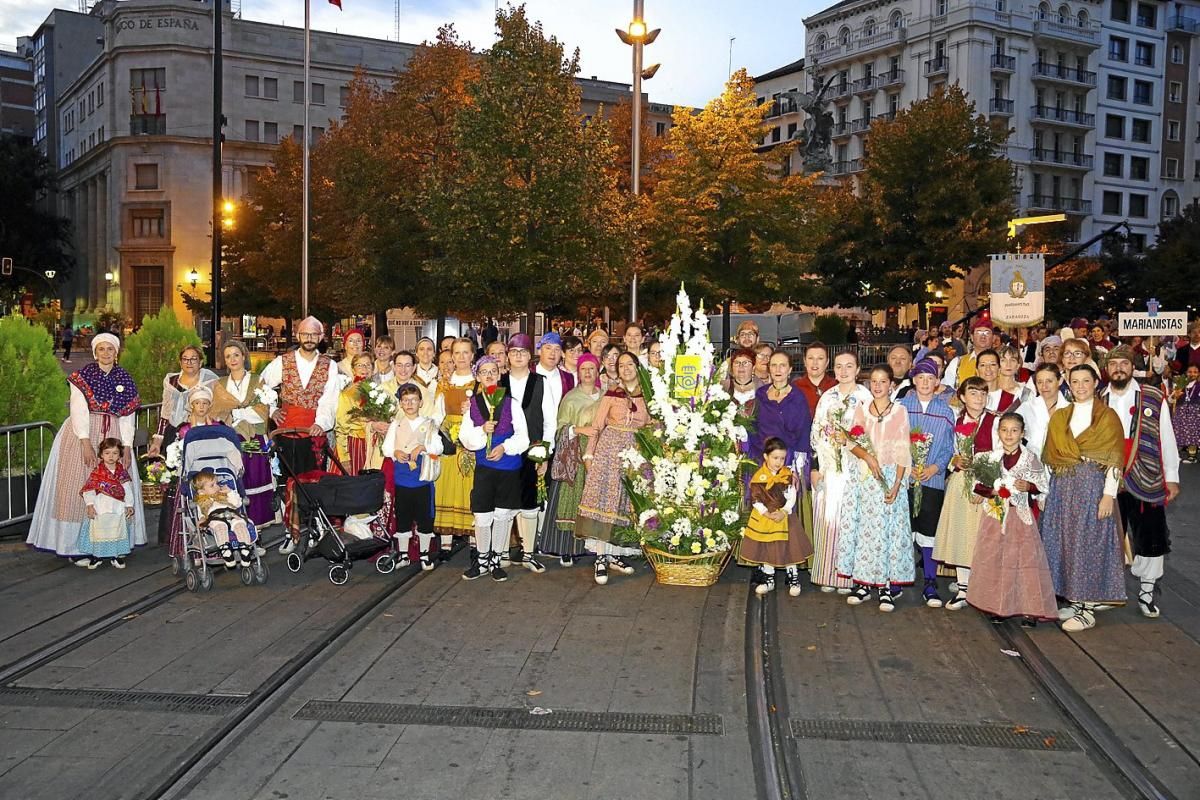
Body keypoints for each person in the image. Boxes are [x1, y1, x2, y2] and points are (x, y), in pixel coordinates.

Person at [28, 334, 146, 566]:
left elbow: (127, 417)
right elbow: (78, 409)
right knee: (79, 484)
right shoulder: (83, 377)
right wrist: (84, 441)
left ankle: (112, 541)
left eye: (109, 349)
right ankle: (77, 546)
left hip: (113, 434)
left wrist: (127, 446)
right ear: (95, 352)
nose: (105, 353)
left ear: (116, 352)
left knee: (114, 486)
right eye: (101, 349)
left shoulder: (125, 378)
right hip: (84, 431)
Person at [1040, 365, 1127, 632]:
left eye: (1085, 381)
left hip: (1092, 485)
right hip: (1063, 487)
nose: (1080, 386)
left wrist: (1108, 496)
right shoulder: (1060, 416)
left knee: (1088, 543)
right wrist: (1045, 492)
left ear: (1095, 383)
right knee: (1063, 542)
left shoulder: (1107, 417)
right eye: (1075, 381)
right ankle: (1073, 598)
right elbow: (1049, 458)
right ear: (1068, 382)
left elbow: (1114, 459)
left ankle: (1086, 608)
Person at [1102, 346, 1180, 619]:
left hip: (1147, 476)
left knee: (1150, 534)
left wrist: (1172, 476)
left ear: (1132, 366)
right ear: (1107, 368)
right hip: (1110, 478)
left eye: (1124, 363)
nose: (1119, 368)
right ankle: (1107, 591)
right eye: (1114, 364)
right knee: (1107, 534)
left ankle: (1147, 591)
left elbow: (1166, 437)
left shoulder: (1153, 396)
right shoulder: (1099, 398)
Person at [966, 412, 1058, 626]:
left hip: (1020, 517)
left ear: (1022, 433)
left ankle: (1030, 609)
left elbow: (1042, 485)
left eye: (1014, 430)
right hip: (995, 518)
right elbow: (978, 485)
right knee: (996, 560)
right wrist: (992, 491)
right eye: (1004, 430)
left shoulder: (1030, 458)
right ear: (998, 433)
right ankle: (998, 606)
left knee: (1025, 561)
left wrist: (1029, 487)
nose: (1009, 434)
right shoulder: (989, 458)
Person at [259, 316, 341, 552]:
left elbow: (330, 398)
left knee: (314, 481)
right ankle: (290, 531)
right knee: (288, 483)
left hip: (312, 431)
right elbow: (262, 385)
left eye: (314, 335)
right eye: (305, 334)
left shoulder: (329, 365)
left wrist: (321, 423)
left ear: (321, 337)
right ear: (298, 335)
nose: (309, 339)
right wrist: (272, 409)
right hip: (286, 431)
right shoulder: (282, 362)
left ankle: (315, 527)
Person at [838, 364, 913, 610]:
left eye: (883, 381)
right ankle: (862, 583)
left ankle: (885, 586)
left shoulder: (900, 411)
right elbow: (851, 441)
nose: (878, 386)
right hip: (865, 477)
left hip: (890, 476)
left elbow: (903, 449)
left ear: (892, 385)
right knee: (864, 530)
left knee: (886, 532)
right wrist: (868, 457)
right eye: (874, 381)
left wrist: (897, 483)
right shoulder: (862, 409)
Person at [577, 352, 650, 585]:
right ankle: (601, 556)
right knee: (605, 500)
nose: (626, 368)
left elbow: (652, 424)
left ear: (638, 367)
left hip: (636, 452)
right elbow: (597, 424)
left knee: (625, 501)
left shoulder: (648, 395)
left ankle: (615, 554)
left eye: (630, 364)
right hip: (609, 450)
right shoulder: (611, 393)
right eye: (621, 365)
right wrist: (590, 453)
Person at [459, 356, 529, 582]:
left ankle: (496, 559)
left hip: (507, 467)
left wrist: (504, 447)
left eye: (493, 371)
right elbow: (466, 438)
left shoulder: (511, 403)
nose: (489, 376)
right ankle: (481, 560)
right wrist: (482, 430)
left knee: (502, 515)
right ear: (478, 377)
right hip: (485, 468)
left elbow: (523, 437)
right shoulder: (473, 405)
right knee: (482, 515)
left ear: (499, 375)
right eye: (484, 372)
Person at [933, 376, 1000, 611]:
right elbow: (946, 451)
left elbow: (1000, 455)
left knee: (985, 538)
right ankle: (963, 587)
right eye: (973, 393)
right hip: (961, 484)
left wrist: (985, 486)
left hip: (986, 488)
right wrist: (954, 461)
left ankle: (985, 588)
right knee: (962, 536)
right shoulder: (956, 420)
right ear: (962, 396)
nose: (979, 398)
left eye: (983, 394)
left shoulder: (995, 421)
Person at [809, 351, 870, 593]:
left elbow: (870, 435)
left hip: (854, 467)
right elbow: (816, 432)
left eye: (849, 366)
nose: (844, 371)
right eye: (839, 366)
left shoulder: (865, 397)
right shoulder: (827, 397)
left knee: (850, 520)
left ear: (857, 369)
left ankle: (848, 576)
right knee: (827, 518)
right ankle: (827, 573)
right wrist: (817, 465)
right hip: (829, 467)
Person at [900, 358, 957, 607]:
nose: (925, 383)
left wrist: (935, 467)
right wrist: (908, 466)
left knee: (928, 532)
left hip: (932, 481)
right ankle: (898, 581)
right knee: (904, 529)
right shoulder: (901, 407)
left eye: (930, 379)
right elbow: (894, 442)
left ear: (937, 383)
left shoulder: (945, 411)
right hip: (906, 479)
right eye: (920, 378)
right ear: (914, 380)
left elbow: (948, 447)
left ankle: (930, 582)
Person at [501, 333, 558, 572]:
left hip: (532, 450)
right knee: (503, 502)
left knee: (530, 502)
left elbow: (549, 421)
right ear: (507, 356)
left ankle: (528, 552)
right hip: (503, 450)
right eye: (513, 352)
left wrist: (545, 453)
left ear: (529, 357)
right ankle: (501, 552)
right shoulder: (498, 382)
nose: (518, 356)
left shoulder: (540, 382)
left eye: (522, 352)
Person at [538, 353, 602, 566]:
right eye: (583, 369)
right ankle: (566, 548)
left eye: (591, 369)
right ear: (578, 372)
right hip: (573, 455)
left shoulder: (605, 397)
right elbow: (559, 429)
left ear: (597, 371)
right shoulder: (571, 398)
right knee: (569, 501)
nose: (587, 373)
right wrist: (579, 429)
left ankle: (593, 547)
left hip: (597, 453)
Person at [209, 339, 276, 526]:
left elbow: (262, 413)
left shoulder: (257, 380)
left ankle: (258, 529)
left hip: (254, 437)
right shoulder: (220, 385)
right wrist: (242, 412)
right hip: (231, 440)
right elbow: (217, 413)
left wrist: (235, 413)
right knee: (235, 482)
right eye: (228, 356)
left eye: (236, 355)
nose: (232, 359)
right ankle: (238, 528)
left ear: (244, 356)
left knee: (256, 479)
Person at [383, 383, 444, 571]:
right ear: (400, 403)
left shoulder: (429, 424)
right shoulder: (396, 424)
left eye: (413, 400)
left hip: (422, 479)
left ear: (420, 402)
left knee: (425, 518)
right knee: (403, 517)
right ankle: (404, 555)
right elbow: (386, 448)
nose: (410, 404)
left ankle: (425, 554)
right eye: (406, 400)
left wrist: (424, 448)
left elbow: (439, 447)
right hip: (402, 479)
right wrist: (396, 451)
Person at [743, 437, 814, 597]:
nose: (778, 462)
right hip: (766, 519)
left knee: (789, 548)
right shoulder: (759, 477)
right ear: (766, 457)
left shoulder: (787, 475)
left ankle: (793, 577)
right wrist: (765, 512)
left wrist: (784, 510)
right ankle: (769, 579)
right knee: (768, 548)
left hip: (784, 517)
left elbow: (792, 495)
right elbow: (755, 499)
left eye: (782, 458)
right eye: (775, 458)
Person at [164, 384, 225, 560]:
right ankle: (190, 548)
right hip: (193, 475)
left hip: (213, 473)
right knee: (190, 506)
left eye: (205, 403)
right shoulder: (184, 428)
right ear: (192, 405)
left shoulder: (217, 425)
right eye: (198, 403)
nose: (201, 407)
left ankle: (220, 542)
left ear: (209, 405)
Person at [433, 338, 479, 556]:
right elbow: (437, 413)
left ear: (472, 355)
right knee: (447, 487)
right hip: (449, 439)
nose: (461, 357)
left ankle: (474, 541)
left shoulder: (478, 383)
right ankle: (445, 542)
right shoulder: (444, 383)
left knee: (470, 487)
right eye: (457, 353)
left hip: (471, 438)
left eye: (465, 353)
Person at [146, 346, 219, 457]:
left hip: (198, 432)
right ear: (180, 363)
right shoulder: (171, 381)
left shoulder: (210, 381)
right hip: (172, 432)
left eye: (193, 359)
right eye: (185, 359)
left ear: (200, 362)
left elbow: (215, 411)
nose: (189, 362)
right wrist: (157, 442)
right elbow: (165, 413)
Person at [75, 438, 136, 569]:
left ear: (120, 455)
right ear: (101, 455)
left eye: (115, 453)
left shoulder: (121, 473)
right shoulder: (97, 473)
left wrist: (129, 505)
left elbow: (127, 490)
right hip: (100, 509)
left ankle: (115, 556)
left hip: (117, 509)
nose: (111, 456)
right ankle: (97, 556)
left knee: (116, 532)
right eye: (107, 453)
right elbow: (89, 490)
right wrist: (90, 505)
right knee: (99, 533)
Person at [192, 469, 255, 568]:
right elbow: (201, 514)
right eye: (212, 485)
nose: (217, 486)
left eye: (217, 483)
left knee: (240, 524)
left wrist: (230, 492)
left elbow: (237, 503)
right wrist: (202, 519)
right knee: (220, 527)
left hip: (231, 514)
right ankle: (225, 550)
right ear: (201, 491)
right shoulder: (202, 501)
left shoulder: (224, 494)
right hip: (215, 518)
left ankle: (245, 549)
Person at [335, 353, 377, 475]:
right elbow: (341, 427)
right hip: (354, 445)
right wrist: (344, 458)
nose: (364, 369)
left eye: (368, 365)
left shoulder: (377, 391)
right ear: (353, 369)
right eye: (360, 365)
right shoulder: (347, 394)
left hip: (372, 445)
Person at [1018, 364, 1063, 458]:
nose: (1044, 386)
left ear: (1060, 381)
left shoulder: (1070, 408)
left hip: (1062, 464)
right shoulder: (1026, 407)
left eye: (1049, 381)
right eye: (1039, 382)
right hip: (1033, 464)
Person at [942, 315, 994, 388]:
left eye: (987, 333)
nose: (983, 336)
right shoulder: (957, 363)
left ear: (993, 338)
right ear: (972, 337)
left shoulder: (1002, 363)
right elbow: (946, 389)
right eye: (978, 332)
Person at [794, 342, 837, 417]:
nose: (815, 363)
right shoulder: (795, 387)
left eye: (820, 358)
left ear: (827, 362)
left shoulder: (836, 386)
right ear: (805, 361)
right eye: (811, 358)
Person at [976, 349, 1017, 413]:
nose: (988, 369)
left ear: (999, 370)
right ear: (977, 372)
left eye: (993, 364)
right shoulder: (970, 397)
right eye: (983, 365)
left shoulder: (1012, 399)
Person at [723, 348, 762, 416]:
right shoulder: (723, 386)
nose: (741, 366)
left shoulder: (761, 388)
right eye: (737, 363)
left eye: (745, 363)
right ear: (732, 368)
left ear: (753, 368)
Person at [1174, 364, 1200, 463]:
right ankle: (1176, 454)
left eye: (1195, 372)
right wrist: (1175, 395)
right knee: (1179, 431)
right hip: (1181, 411)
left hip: (1195, 412)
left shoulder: (1198, 386)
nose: (1192, 374)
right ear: (1186, 373)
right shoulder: (1180, 384)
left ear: (1198, 374)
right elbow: (1171, 399)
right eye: (1190, 372)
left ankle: (1192, 456)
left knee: (1192, 433)